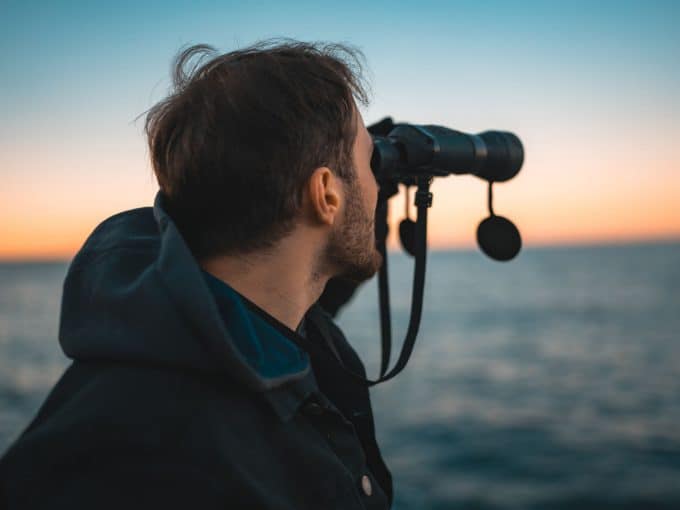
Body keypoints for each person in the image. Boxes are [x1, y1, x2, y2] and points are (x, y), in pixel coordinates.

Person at [0, 39, 393, 509]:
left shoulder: (179, 331)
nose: (380, 184)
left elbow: (280, 303)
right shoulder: (146, 463)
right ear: (326, 193)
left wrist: (351, 231)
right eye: (372, 163)